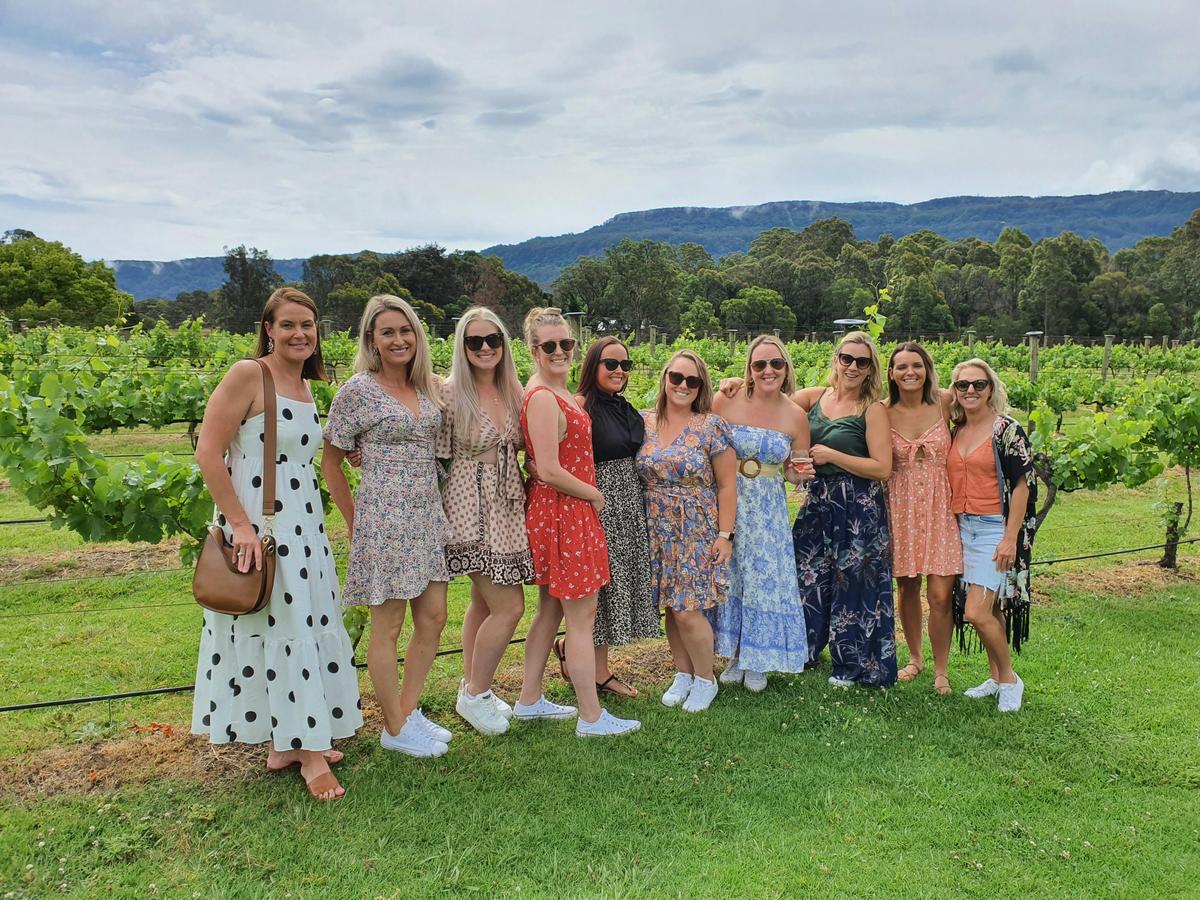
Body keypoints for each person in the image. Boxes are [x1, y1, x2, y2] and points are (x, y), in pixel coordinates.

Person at [192, 287, 362, 802]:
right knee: (284, 624)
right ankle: (310, 755)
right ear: (269, 328)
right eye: (288, 324)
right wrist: (240, 525)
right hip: (262, 522)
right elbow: (207, 451)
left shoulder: (307, 385)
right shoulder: (250, 375)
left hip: (302, 521)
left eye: (307, 325)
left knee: (297, 622)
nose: (299, 334)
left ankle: (287, 742)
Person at [323, 294, 454, 757]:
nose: (398, 340)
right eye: (387, 333)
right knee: (389, 624)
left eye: (405, 331)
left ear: (416, 336)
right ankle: (394, 727)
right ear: (372, 341)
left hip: (425, 513)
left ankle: (408, 710)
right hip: (384, 516)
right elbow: (331, 462)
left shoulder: (427, 389)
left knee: (434, 617)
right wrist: (356, 521)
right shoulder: (358, 390)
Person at [518, 307, 640, 737]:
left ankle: (529, 699)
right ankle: (591, 716)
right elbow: (548, 468)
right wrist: (594, 494)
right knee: (582, 617)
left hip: (564, 510)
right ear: (534, 350)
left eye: (566, 343)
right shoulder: (544, 397)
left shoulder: (556, 392)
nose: (559, 351)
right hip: (567, 512)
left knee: (550, 612)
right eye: (549, 345)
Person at [437, 307, 533, 736]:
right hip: (468, 504)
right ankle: (475, 692)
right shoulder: (449, 392)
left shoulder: (514, 389)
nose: (484, 348)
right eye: (474, 341)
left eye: (492, 339)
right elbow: (429, 447)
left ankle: (474, 686)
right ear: (462, 346)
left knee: (482, 602)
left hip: (507, 503)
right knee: (509, 606)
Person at [789, 331, 897, 688]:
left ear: (870, 370)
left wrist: (833, 456)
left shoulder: (873, 409)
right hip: (819, 499)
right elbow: (767, 400)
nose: (852, 366)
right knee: (807, 573)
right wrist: (734, 383)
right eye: (846, 358)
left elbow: (882, 468)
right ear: (835, 359)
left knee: (853, 582)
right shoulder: (813, 397)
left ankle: (852, 664)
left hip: (858, 504)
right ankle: (802, 650)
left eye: (861, 361)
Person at [555, 337, 658, 699]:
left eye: (625, 366)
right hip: (597, 505)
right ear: (592, 366)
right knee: (596, 589)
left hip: (628, 503)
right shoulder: (580, 404)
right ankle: (595, 671)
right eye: (610, 364)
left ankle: (583, 657)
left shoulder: (625, 407)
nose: (619, 371)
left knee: (612, 587)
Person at [637, 350, 737, 712]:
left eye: (691, 381)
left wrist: (725, 535)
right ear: (664, 379)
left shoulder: (711, 426)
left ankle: (705, 678)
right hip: (655, 525)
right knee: (670, 606)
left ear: (700, 387)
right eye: (676, 377)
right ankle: (683, 673)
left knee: (688, 608)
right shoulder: (643, 421)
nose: (682, 385)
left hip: (696, 525)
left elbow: (727, 485)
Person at [711, 335, 810, 692]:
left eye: (776, 363)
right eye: (760, 364)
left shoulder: (796, 416)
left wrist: (799, 474)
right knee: (732, 574)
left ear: (786, 367)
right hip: (727, 498)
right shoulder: (727, 398)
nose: (768, 370)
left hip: (768, 508)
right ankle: (735, 653)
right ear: (749, 370)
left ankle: (758, 658)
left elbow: (793, 469)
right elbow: (703, 438)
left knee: (763, 578)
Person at [947, 358, 1036, 712]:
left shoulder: (1007, 430)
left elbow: (1022, 486)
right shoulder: (956, 429)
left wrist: (1009, 537)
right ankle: (996, 677)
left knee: (976, 613)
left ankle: (1012, 679)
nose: (970, 391)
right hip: (962, 528)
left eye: (978, 385)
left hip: (992, 530)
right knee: (992, 610)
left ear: (991, 389)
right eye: (963, 385)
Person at [884, 342, 963, 695]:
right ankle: (915, 658)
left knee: (941, 594)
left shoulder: (946, 402)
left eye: (916, 365)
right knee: (908, 586)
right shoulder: (881, 410)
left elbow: (987, 402)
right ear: (891, 373)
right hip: (899, 506)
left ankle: (942, 669)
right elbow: (824, 393)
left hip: (940, 505)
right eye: (901, 366)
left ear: (928, 369)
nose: (909, 372)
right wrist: (734, 383)